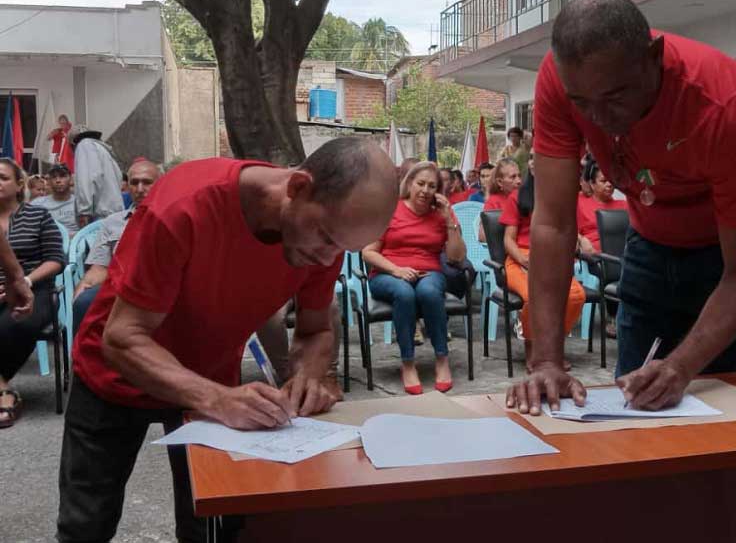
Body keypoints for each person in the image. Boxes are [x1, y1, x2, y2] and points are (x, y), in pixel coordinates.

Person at [56, 138, 398, 542]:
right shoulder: (185, 205)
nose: (328, 260)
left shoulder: (327, 237)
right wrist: (218, 399)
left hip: (212, 379)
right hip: (115, 374)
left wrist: (309, 375)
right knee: (86, 526)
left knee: (215, 527)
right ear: (298, 186)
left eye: (343, 248)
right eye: (324, 238)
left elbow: (316, 328)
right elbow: (123, 337)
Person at [505, 0, 736, 416]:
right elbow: (553, 224)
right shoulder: (561, 79)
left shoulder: (723, 104)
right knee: (631, 407)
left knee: (719, 417)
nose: (597, 116)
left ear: (653, 57)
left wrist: (682, 365)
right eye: (582, 103)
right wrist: (547, 360)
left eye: (616, 96)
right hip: (651, 241)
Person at [363, 161, 466, 395]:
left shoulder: (441, 216)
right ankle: (408, 362)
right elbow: (368, 252)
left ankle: (442, 358)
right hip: (387, 273)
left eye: (432, 186)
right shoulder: (390, 210)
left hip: (429, 272)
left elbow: (456, 257)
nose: (425, 190)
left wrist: (449, 219)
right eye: (420, 183)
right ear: (409, 184)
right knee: (404, 292)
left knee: (428, 292)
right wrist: (396, 270)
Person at [503, 154, 585, 371]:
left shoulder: (562, 196)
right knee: (534, 297)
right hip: (521, 258)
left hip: (551, 259)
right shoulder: (517, 197)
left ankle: (553, 348)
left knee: (576, 296)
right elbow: (508, 239)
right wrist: (522, 260)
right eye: (530, 158)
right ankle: (534, 349)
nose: (533, 162)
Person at [0, 158, 65, 428]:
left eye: (3, 177)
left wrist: (24, 281)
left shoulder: (37, 215)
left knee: (14, 323)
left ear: (19, 185)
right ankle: (5, 390)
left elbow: (55, 259)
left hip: (34, 289)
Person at [71, 159, 162, 330]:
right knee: (84, 301)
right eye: (134, 183)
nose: (140, 189)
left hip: (158, 287)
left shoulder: (172, 218)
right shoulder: (112, 222)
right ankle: (84, 356)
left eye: (147, 182)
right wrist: (87, 283)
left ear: (160, 184)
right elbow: (100, 267)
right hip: (118, 287)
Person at [69, 124, 124, 226]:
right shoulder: (103, 151)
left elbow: (86, 182)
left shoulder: (83, 145)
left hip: (100, 219)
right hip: (115, 216)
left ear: (72, 144)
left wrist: (84, 212)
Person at [576, 163, 628, 254]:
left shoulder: (624, 206)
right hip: (589, 256)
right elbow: (569, 231)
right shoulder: (580, 204)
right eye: (603, 181)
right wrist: (581, 240)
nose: (609, 184)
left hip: (619, 256)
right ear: (592, 184)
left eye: (611, 181)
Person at [479, 158, 522, 241]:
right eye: (513, 177)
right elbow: (483, 236)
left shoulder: (524, 197)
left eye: (519, 176)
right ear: (500, 182)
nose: (519, 181)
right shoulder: (493, 202)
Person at [31, 163, 80, 236]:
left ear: (70, 179)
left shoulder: (80, 203)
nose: (58, 180)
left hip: (75, 245)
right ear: (49, 181)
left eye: (62, 176)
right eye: (54, 177)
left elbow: (89, 230)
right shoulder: (37, 204)